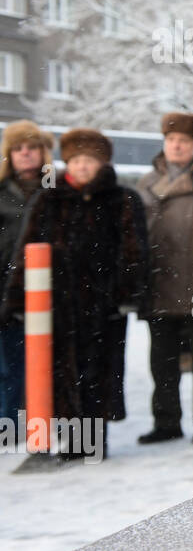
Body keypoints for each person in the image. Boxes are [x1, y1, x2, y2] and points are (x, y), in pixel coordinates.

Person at [2, 129, 148, 459]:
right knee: (63, 371)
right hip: (60, 303)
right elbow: (26, 250)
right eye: (77, 160)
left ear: (102, 163)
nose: (83, 167)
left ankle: (95, 440)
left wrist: (127, 294)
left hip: (104, 303)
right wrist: (16, 299)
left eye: (90, 161)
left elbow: (134, 251)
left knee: (100, 371)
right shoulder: (49, 198)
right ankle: (72, 441)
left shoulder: (121, 199)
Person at [135, 113, 193, 444]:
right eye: (171, 140)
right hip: (158, 285)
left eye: (184, 141)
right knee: (161, 362)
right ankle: (166, 421)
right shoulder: (146, 182)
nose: (176, 146)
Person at [0, 121, 53, 425]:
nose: (25, 154)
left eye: (32, 147)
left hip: (47, 289)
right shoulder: (1, 193)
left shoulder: (56, 192)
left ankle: (44, 418)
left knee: (46, 361)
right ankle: (9, 420)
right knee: (9, 362)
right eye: (18, 148)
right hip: (5, 288)